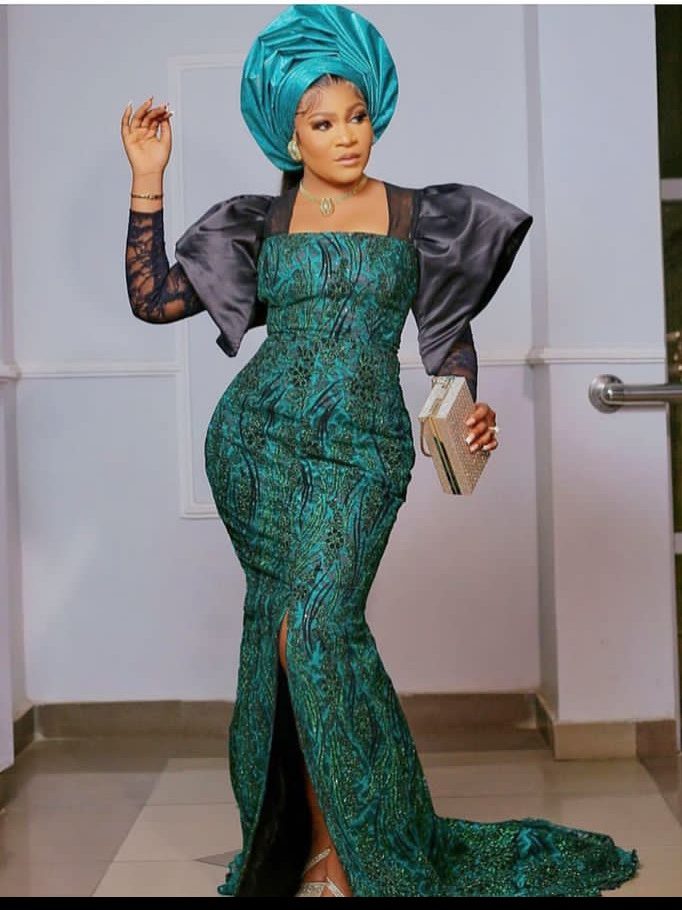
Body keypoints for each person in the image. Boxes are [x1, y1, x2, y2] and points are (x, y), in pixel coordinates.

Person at [120, 3, 638, 898]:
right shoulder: (260, 220)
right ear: (289, 135)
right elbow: (153, 299)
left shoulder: (418, 216)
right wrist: (147, 180)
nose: (347, 135)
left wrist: (465, 406)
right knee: (286, 639)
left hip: (363, 453)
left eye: (356, 115)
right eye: (322, 123)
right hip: (255, 446)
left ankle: (360, 849)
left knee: (319, 631)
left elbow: (449, 341)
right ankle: (312, 847)